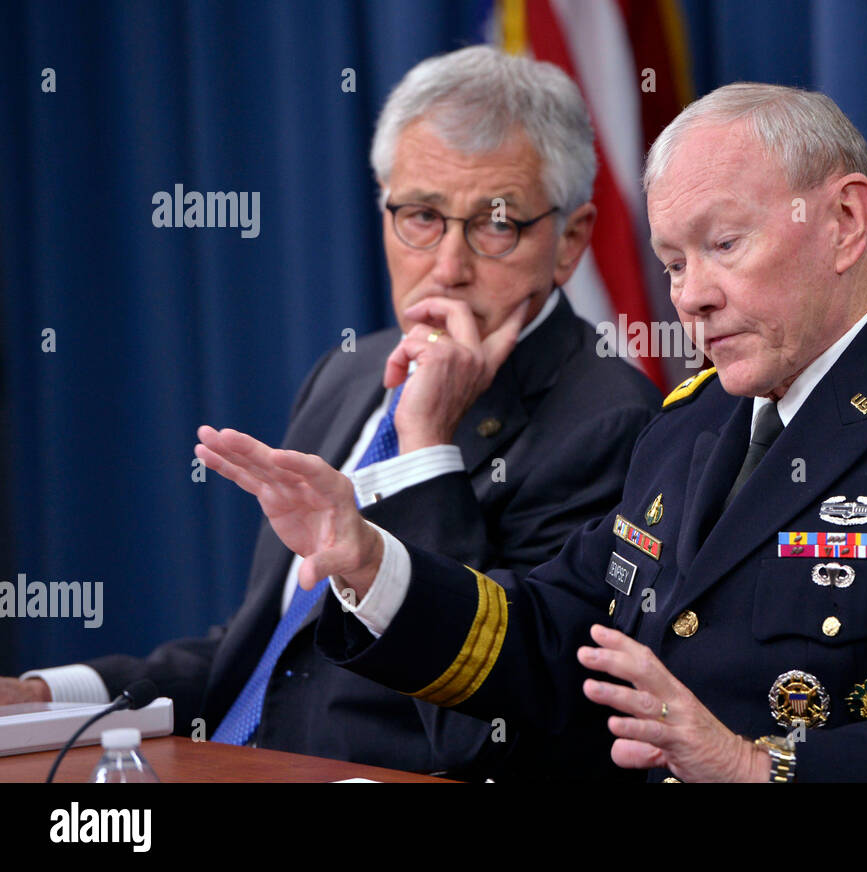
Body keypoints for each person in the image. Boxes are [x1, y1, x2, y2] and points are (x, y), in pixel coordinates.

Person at [200, 82, 867, 781]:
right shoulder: (694, 424)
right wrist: (367, 560)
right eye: (672, 259)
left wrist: (757, 769)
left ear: (845, 220)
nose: (690, 294)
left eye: (724, 245)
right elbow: (550, 639)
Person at [0, 46, 661, 777]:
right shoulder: (349, 372)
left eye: (496, 224)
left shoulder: (612, 422)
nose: (447, 265)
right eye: (420, 216)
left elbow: (498, 715)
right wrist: (46, 696)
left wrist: (425, 451)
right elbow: (271, 656)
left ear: (569, 241)